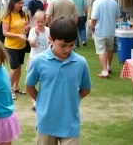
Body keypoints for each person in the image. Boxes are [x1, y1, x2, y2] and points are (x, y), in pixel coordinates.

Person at [25, 17, 92, 145]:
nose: (67, 49)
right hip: (46, 123)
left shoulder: (80, 62)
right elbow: (29, 86)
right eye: (63, 45)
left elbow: (86, 88)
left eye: (71, 45)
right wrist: (41, 101)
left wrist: (73, 99)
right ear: (51, 39)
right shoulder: (39, 61)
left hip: (71, 122)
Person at [2, 0, 30, 100]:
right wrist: (18, 35)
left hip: (21, 45)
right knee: (14, 68)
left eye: (22, 3)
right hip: (11, 46)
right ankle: (9, 89)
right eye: (19, 3)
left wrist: (27, 28)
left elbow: (25, 27)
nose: (21, 5)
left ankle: (16, 86)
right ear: (13, 3)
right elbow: (5, 33)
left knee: (19, 67)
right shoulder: (7, 15)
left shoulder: (23, 13)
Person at [91, 0, 121, 78]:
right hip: (111, 30)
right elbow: (117, 16)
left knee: (101, 50)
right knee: (109, 49)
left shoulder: (97, 2)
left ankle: (105, 71)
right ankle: (108, 67)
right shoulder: (113, 2)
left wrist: (92, 27)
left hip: (100, 30)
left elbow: (94, 18)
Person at [27, 11, 50, 110]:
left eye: (42, 22)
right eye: (38, 22)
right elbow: (31, 44)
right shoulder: (32, 30)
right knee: (31, 80)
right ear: (34, 21)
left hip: (46, 58)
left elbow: (50, 42)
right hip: (34, 58)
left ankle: (42, 99)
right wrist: (36, 35)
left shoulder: (48, 30)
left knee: (44, 79)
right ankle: (34, 100)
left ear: (45, 21)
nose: (40, 24)